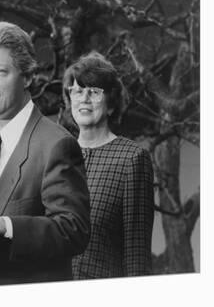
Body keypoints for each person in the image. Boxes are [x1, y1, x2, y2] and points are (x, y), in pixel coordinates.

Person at [0, 21, 90, 286]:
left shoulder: (56, 144)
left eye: (0, 71)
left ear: (28, 76)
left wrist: (7, 226)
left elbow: (74, 230)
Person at [63, 51, 154, 278]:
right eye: (77, 91)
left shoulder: (132, 158)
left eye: (93, 91)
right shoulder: (58, 154)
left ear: (111, 102)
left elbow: (137, 254)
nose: (84, 99)